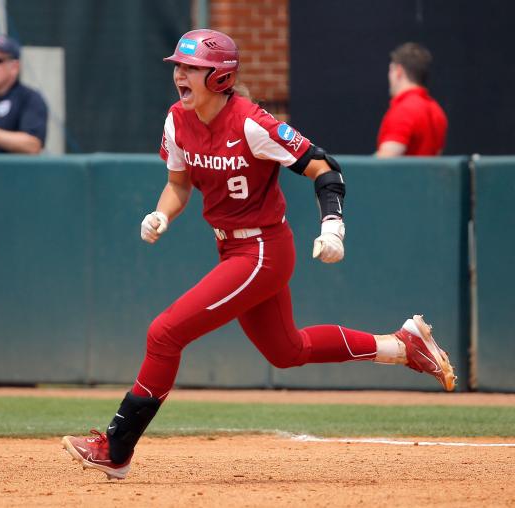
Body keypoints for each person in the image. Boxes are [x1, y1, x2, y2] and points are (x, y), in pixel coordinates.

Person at [61, 29, 456, 480]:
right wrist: (162, 214)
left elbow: (324, 167)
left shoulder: (252, 123)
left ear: (220, 76)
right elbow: (177, 185)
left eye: (190, 68)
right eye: (179, 68)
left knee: (165, 334)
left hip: (262, 250)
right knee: (286, 350)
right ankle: (401, 346)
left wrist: (333, 225)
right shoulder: (176, 120)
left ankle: (117, 448)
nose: (180, 76)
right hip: (230, 246)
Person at [376, 42, 448, 157]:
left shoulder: (404, 110)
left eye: (391, 70)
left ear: (399, 71)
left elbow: (383, 165)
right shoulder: (437, 111)